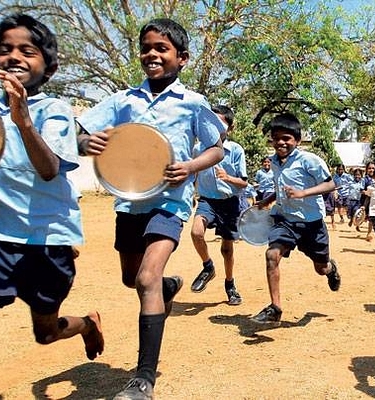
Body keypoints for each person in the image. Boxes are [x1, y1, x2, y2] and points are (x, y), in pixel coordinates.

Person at [0, 14, 104, 400]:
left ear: (48, 66)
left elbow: (49, 169)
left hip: (47, 239)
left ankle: (86, 324)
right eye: (4, 50)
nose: (13, 57)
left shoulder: (55, 111)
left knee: (45, 333)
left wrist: (23, 121)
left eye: (26, 51)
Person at [75, 18, 224, 399]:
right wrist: (87, 141)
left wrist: (190, 167)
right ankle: (169, 286)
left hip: (169, 204)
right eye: (147, 48)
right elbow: (81, 133)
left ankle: (144, 379)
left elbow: (216, 148)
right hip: (128, 201)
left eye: (162, 48)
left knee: (145, 279)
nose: (152, 54)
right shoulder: (123, 100)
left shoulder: (192, 103)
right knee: (132, 278)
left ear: (182, 58)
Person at [250, 113, 341, 324]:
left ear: (297, 141)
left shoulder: (309, 160)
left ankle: (331, 269)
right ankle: (275, 308)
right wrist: (269, 200)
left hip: (311, 224)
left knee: (321, 268)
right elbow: (280, 187)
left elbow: (330, 185)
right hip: (286, 220)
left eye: (287, 138)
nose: (281, 142)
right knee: (272, 255)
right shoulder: (273, 162)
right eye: (276, 138)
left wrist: (302, 193)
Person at [189, 105, 247, 306]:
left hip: (229, 203)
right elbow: (193, 175)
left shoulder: (236, 150)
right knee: (196, 232)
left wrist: (228, 177)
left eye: (220, 123)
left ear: (230, 129)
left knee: (227, 249)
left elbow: (244, 182)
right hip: (207, 201)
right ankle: (208, 267)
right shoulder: (198, 149)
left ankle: (230, 285)